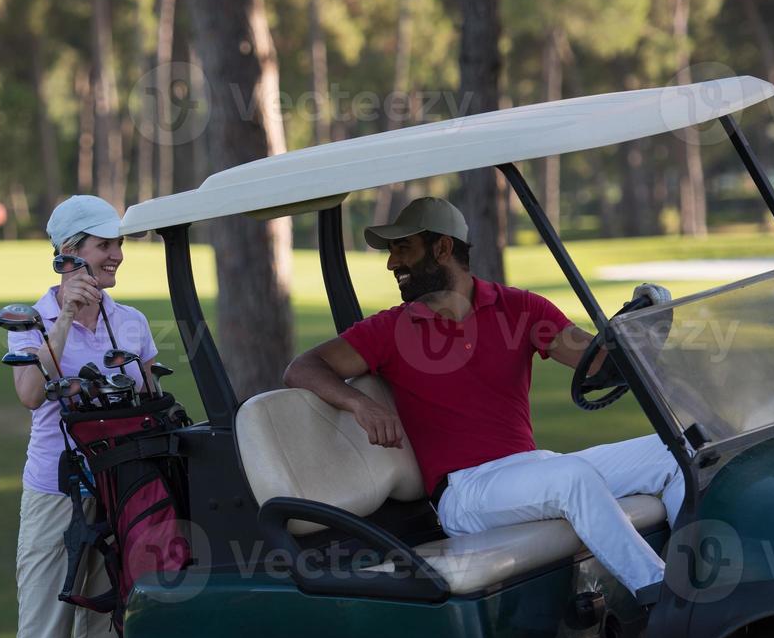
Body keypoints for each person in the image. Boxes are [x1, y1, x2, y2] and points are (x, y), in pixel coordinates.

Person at [283, 196, 683, 604]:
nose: (391, 264)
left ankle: (699, 579)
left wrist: (639, 328)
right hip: (465, 491)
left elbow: (593, 362)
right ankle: (666, 599)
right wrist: (358, 402)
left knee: (673, 451)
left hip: (530, 469)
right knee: (572, 479)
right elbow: (303, 367)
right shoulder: (389, 329)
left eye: (403, 249)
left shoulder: (520, 308)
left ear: (441, 248)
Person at [1, 195, 158, 638]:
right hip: (54, 498)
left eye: (119, 246)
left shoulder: (132, 321)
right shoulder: (30, 319)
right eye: (104, 246)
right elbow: (30, 394)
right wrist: (64, 321)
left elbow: (150, 395)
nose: (116, 256)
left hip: (117, 494)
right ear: (69, 252)